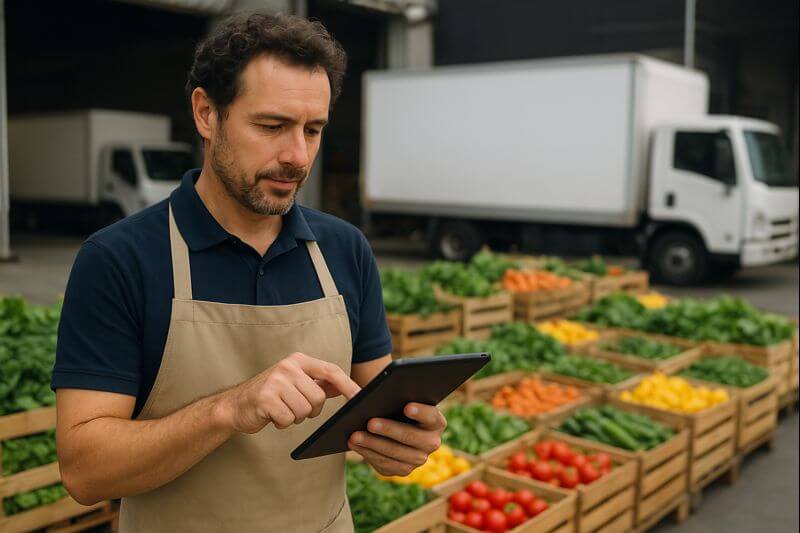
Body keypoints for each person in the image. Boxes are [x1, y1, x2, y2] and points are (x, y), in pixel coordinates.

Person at [52, 12, 446, 532]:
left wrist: (405, 441)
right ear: (206, 114)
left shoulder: (345, 249)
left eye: (313, 129)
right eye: (272, 126)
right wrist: (228, 409)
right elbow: (85, 472)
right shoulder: (120, 259)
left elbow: (376, 405)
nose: (297, 156)